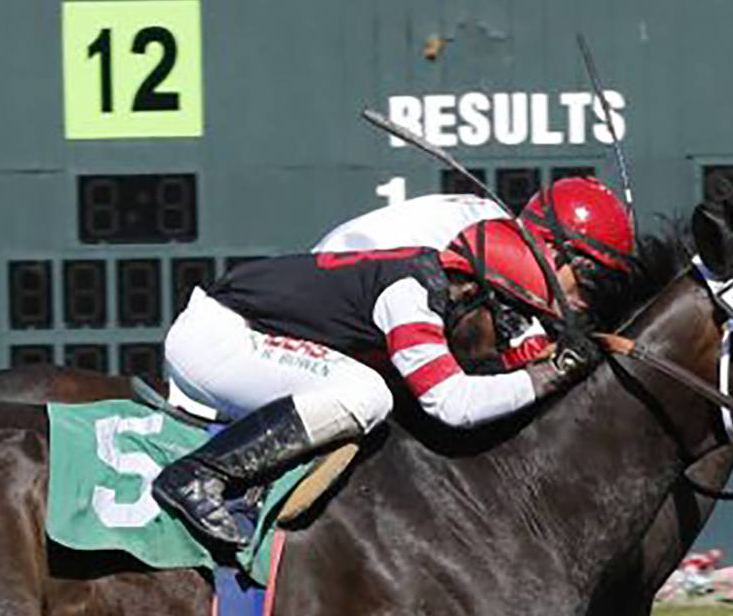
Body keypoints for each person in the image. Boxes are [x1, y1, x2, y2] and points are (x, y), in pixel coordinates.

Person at [152, 218, 598, 549]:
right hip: (217, 340)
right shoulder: (409, 294)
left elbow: (493, 366)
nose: (504, 339)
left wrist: (547, 358)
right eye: (508, 321)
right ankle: (198, 474)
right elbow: (451, 404)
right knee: (367, 394)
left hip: (242, 335)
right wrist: (548, 375)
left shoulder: (438, 285)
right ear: (471, 292)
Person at [315, 175, 635, 369]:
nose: (586, 303)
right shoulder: (493, 247)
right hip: (327, 333)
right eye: (589, 284)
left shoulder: (495, 231)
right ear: (555, 248)